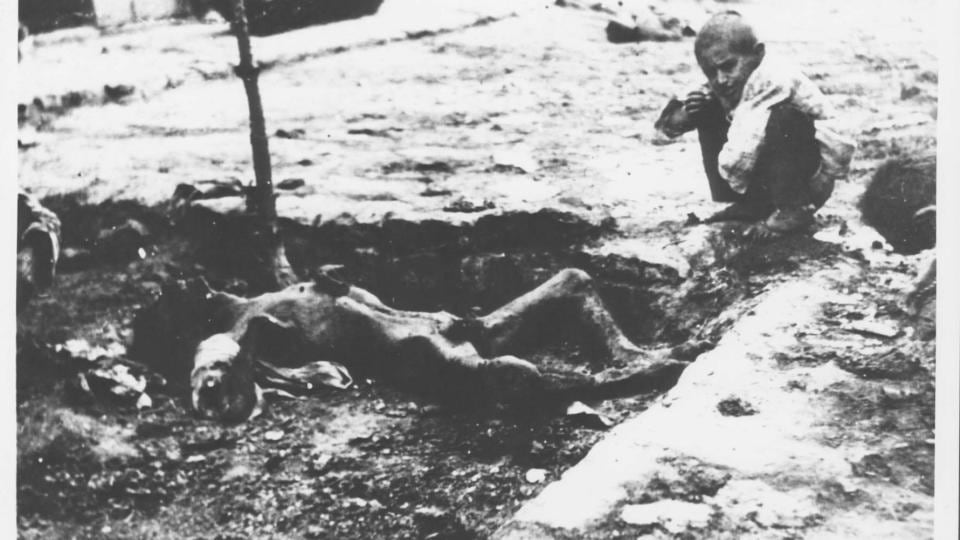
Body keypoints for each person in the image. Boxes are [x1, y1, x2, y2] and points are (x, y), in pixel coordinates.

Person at [132, 269, 687, 422]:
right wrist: (243, 354)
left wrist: (340, 286)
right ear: (181, 324)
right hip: (416, 357)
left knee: (571, 281)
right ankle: (617, 384)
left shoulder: (260, 293)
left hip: (441, 322)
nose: (183, 282)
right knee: (507, 373)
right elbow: (215, 387)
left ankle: (623, 352)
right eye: (171, 295)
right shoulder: (230, 332)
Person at [655, 11, 855, 237]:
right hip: (758, 172)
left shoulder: (775, 80)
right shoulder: (726, 82)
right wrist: (691, 110)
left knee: (782, 118)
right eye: (711, 72)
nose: (720, 79)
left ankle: (793, 208)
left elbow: (747, 141)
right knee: (707, 103)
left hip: (809, 181)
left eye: (729, 66)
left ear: (758, 54)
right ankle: (751, 204)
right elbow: (664, 130)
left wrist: (731, 167)